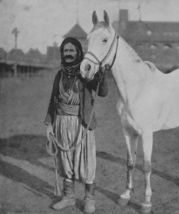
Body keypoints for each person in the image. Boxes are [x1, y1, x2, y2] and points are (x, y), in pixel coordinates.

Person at [44, 37, 108, 214]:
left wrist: (101, 74)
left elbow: (103, 92)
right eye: (66, 51)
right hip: (62, 123)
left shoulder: (86, 72)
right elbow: (52, 100)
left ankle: (89, 199)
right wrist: (49, 124)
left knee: (87, 162)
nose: (69, 54)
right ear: (62, 54)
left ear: (79, 52)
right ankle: (68, 197)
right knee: (65, 162)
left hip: (82, 124)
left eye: (72, 51)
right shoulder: (60, 75)